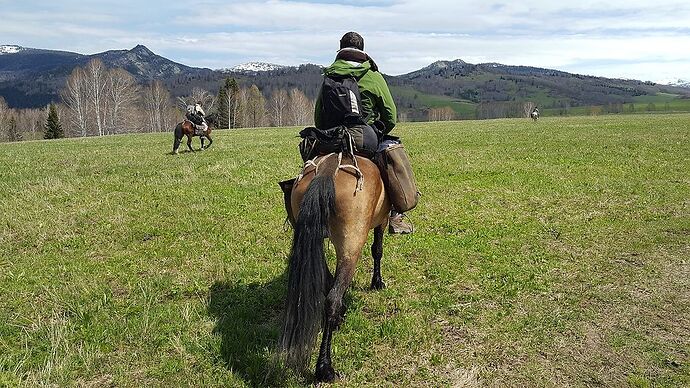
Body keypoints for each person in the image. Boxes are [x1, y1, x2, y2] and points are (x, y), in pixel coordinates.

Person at [315, 31, 413, 234]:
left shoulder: (329, 76)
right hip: (364, 139)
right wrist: (379, 129)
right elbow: (390, 115)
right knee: (392, 160)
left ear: (340, 49)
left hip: (332, 138)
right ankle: (396, 214)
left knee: (311, 163)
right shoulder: (373, 76)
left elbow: (318, 116)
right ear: (362, 50)